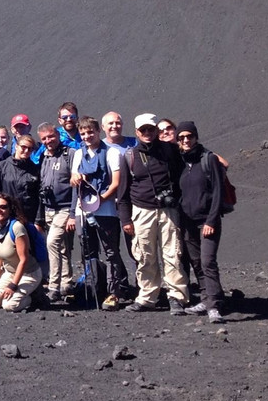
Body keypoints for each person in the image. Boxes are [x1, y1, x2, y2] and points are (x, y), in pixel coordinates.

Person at [118, 113, 190, 315]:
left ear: (156, 130)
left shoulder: (170, 151)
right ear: (137, 132)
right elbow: (123, 191)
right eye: (143, 130)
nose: (147, 133)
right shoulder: (130, 156)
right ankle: (148, 297)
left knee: (172, 254)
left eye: (151, 129)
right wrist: (125, 219)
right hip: (142, 211)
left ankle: (176, 297)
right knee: (144, 256)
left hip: (168, 210)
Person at [71, 116, 130, 310]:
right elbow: (73, 179)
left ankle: (115, 292)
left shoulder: (112, 153)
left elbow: (116, 183)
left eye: (90, 132)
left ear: (98, 132)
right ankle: (95, 287)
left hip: (106, 211)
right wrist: (76, 178)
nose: (87, 136)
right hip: (83, 212)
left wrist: (99, 200)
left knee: (111, 251)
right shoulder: (78, 154)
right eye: (83, 133)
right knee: (88, 252)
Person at [176, 121, 227, 323]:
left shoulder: (209, 159)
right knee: (197, 263)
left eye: (190, 136)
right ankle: (207, 299)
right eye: (182, 137)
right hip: (187, 222)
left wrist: (212, 220)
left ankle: (214, 307)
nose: (186, 140)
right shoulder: (179, 162)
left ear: (196, 137)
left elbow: (218, 192)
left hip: (207, 221)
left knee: (208, 262)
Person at [0, 193, 42, 312]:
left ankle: (34, 297)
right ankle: (17, 293)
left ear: (10, 209)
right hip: (9, 272)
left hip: (28, 273)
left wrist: (13, 286)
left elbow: (24, 260)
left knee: (9, 305)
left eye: (3, 207)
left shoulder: (17, 227)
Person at [37, 122, 75, 302]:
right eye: (44, 138)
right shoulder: (44, 157)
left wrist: (74, 213)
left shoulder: (69, 154)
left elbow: (76, 186)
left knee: (52, 242)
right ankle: (66, 283)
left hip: (65, 207)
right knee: (62, 246)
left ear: (58, 135)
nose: (48, 141)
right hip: (49, 208)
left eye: (51, 136)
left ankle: (53, 285)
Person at [0, 134, 41, 226]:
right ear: (16, 146)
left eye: (30, 149)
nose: (26, 151)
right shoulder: (1, 167)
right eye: (23, 147)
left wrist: (38, 221)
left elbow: (39, 198)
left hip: (28, 219)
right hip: (6, 218)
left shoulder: (35, 170)